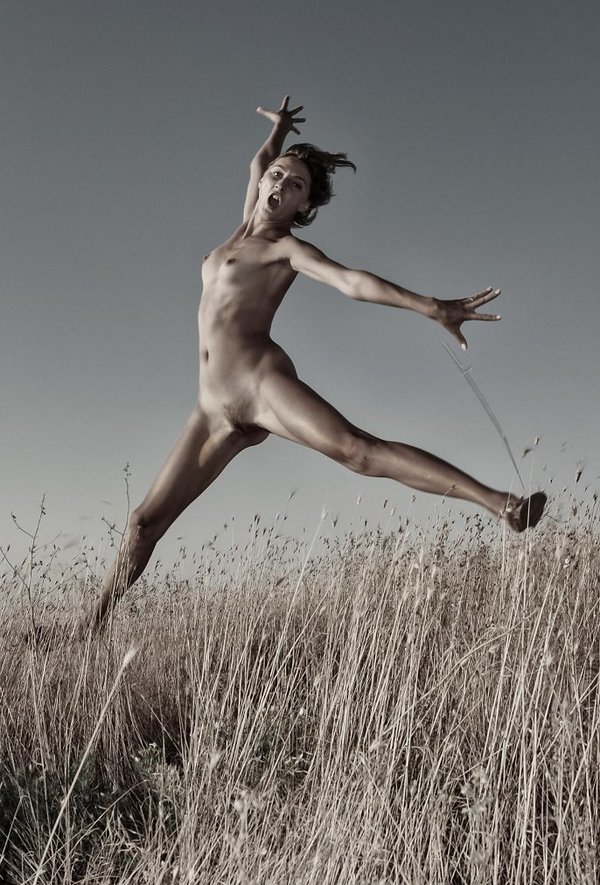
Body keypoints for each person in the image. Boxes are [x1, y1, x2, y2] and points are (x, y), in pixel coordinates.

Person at [85, 96, 546, 633]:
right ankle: (90, 629)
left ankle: (502, 505)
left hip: (259, 384)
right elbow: (260, 161)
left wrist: (431, 307)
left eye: (296, 186)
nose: (281, 184)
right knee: (143, 523)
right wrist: (279, 130)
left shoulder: (287, 250)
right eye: (279, 176)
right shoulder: (242, 227)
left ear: (302, 208)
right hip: (210, 407)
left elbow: (352, 282)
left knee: (357, 450)